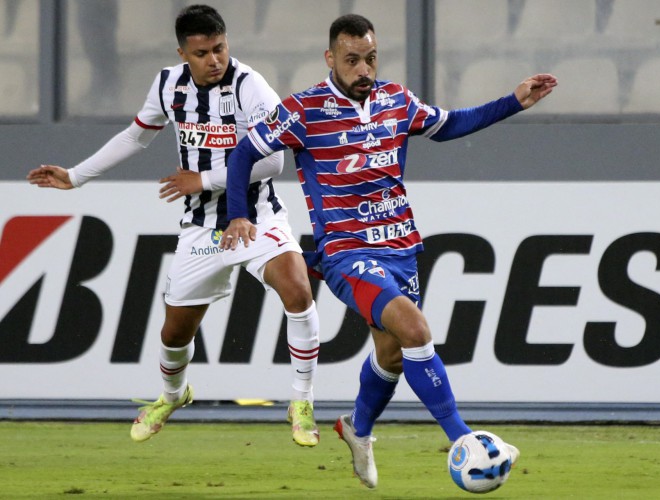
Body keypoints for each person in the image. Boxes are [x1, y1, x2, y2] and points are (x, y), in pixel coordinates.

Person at [220, 14, 556, 488]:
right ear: (331, 59)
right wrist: (239, 214)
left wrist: (514, 102)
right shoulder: (303, 110)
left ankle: (357, 430)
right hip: (345, 253)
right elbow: (243, 155)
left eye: (370, 58)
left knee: (393, 354)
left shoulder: (396, 101)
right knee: (415, 328)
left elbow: (451, 123)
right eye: (352, 60)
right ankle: (463, 439)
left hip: (401, 249)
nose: (364, 69)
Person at [26, 4, 321, 447]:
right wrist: (76, 175)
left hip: (257, 216)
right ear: (183, 52)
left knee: (297, 289)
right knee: (174, 332)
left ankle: (301, 403)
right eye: (202, 52)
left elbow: (275, 161)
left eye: (219, 48)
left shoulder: (250, 86)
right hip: (202, 226)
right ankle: (172, 395)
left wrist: (202, 179)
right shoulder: (168, 85)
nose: (214, 60)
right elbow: (135, 136)